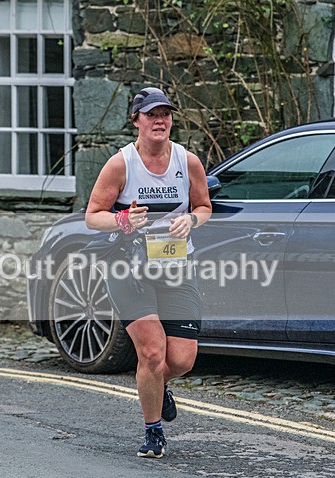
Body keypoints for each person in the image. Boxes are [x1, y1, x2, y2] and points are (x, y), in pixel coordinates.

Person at [85, 87, 212, 458]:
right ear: (136, 120)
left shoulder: (187, 162)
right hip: (129, 268)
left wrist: (190, 220)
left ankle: (156, 386)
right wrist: (122, 218)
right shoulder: (121, 164)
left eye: (166, 114)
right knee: (153, 353)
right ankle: (153, 431)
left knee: (181, 360)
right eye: (151, 114)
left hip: (175, 266)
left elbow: (204, 206)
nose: (160, 120)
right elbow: (93, 216)